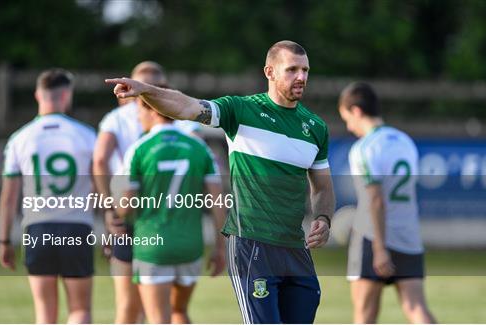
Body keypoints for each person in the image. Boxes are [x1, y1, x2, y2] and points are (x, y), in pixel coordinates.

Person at [106, 40, 335, 324]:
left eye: (305, 70)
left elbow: (323, 187)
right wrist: (146, 90)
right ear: (270, 72)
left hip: (295, 248)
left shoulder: (315, 127)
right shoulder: (239, 111)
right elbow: (186, 106)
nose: (301, 77)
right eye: (292, 69)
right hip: (253, 245)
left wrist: (324, 219)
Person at [93, 61, 198, 323]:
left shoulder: (118, 117)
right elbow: (201, 151)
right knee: (177, 310)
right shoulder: (179, 115)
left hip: (131, 217)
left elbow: (99, 161)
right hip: (175, 220)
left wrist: (109, 208)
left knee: (129, 307)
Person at [113, 97, 226, 324]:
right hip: (189, 246)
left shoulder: (140, 148)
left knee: (158, 319)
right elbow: (218, 202)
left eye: (139, 112)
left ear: (152, 111)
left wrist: (115, 193)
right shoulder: (198, 147)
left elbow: (125, 208)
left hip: (153, 246)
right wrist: (220, 247)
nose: (138, 118)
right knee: (180, 313)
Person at [0, 69, 96, 323]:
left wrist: (4, 240)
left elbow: (9, 196)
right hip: (77, 226)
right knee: (80, 310)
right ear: (66, 95)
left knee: (45, 314)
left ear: (37, 95)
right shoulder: (87, 135)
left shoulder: (19, 138)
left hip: (38, 228)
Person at [338, 81, 436, 323]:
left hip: (373, 237)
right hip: (408, 236)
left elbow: (376, 200)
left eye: (347, 119)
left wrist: (380, 249)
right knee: (416, 308)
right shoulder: (405, 142)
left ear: (357, 111)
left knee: (365, 315)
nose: (349, 127)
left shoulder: (364, 149)